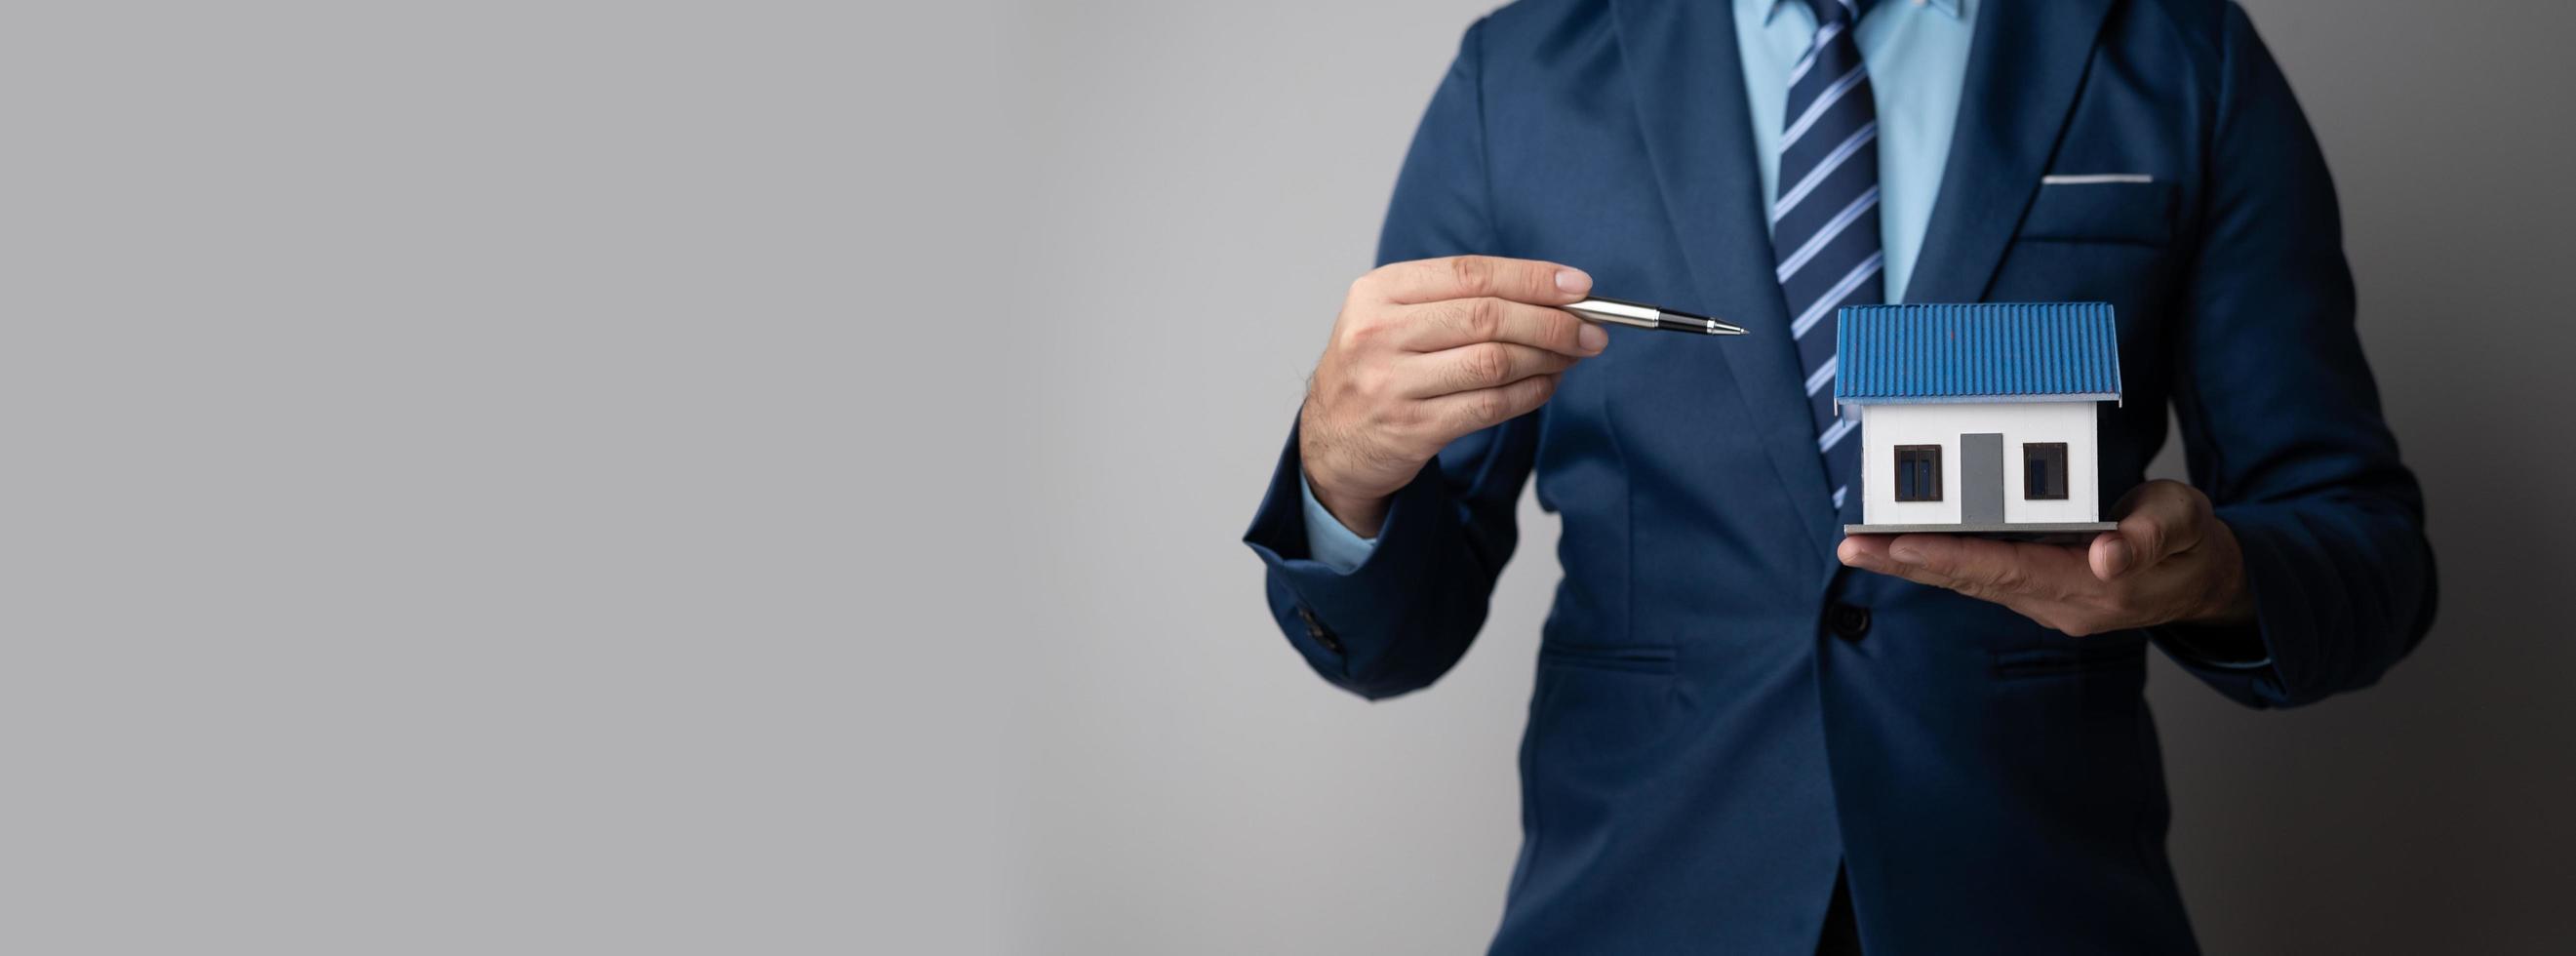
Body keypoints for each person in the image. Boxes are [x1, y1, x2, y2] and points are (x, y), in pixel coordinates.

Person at [1239, 0, 2437, 953]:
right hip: (1638, 906)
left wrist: (2211, 577)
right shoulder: (1522, 77)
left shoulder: (2178, 50)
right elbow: (1396, 637)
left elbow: (2366, 551)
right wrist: (1340, 474)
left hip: (2038, 904)